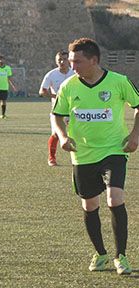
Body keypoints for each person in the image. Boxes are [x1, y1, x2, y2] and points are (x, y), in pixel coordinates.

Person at [52, 38, 139, 275]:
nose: (73, 66)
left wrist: (134, 136)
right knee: (90, 205)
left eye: (77, 62)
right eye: (71, 61)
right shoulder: (69, 86)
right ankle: (100, 253)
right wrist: (62, 137)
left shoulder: (119, 82)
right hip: (83, 154)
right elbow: (57, 115)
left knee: (114, 199)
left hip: (114, 150)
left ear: (94, 60)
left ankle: (121, 256)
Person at [39, 50, 75, 166]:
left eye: (64, 59)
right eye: (59, 59)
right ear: (56, 61)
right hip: (57, 110)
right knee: (56, 134)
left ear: (69, 60)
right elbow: (42, 91)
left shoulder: (75, 73)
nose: (62, 61)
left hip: (74, 109)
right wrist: (56, 96)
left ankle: (82, 158)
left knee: (78, 133)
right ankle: (51, 158)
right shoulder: (51, 74)